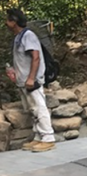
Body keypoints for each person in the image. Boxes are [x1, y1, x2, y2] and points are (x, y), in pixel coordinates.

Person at [5, 8, 55, 152]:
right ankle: (39, 137)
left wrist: (31, 78)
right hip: (24, 81)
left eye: (8, 20)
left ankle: (48, 137)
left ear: (14, 22)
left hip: (32, 81)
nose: (6, 23)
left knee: (39, 107)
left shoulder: (28, 36)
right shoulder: (18, 37)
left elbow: (36, 57)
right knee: (32, 110)